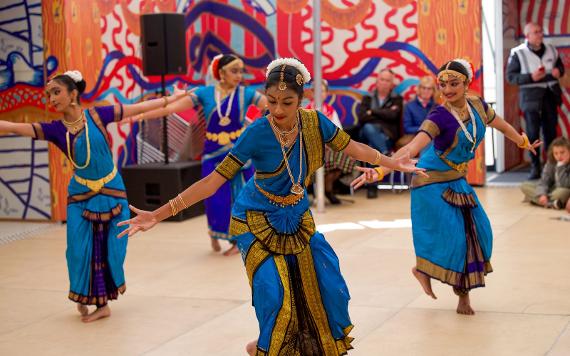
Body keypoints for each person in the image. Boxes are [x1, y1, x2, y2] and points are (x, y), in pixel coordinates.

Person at [118, 58, 426, 355]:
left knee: (330, 287)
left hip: (296, 216)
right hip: (255, 219)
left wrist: (392, 162)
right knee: (273, 293)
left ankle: (267, 344)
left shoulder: (314, 122)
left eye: (287, 102)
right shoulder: (257, 132)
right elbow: (213, 181)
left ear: (301, 99)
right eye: (272, 100)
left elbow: (353, 147)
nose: (277, 109)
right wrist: (158, 214)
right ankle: (269, 346)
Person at [352, 59, 541, 315]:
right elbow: (411, 149)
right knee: (457, 240)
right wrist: (381, 169)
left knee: (480, 233)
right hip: (429, 180)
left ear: (466, 84)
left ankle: (424, 270)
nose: (448, 89)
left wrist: (522, 142)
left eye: (454, 83)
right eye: (443, 84)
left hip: (456, 179)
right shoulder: (439, 115)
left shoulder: (478, 106)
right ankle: (461, 296)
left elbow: (502, 125)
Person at [0, 70, 188, 322]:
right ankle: (86, 294)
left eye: (56, 92)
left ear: (73, 94)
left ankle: (102, 304)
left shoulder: (99, 115)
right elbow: (14, 127)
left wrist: (170, 99)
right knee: (78, 249)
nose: (51, 99)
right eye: (48, 95)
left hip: (111, 189)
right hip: (80, 194)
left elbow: (136, 108)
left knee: (110, 248)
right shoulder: (55, 130)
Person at [134, 54, 268, 255]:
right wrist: (139, 115)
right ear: (221, 73)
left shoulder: (246, 94)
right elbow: (171, 108)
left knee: (239, 197)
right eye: (234, 71)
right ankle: (215, 233)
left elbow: (270, 106)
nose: (239, 75)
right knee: (214, 199)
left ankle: (236, 241)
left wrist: (255, 129)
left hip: (238, 155)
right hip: (212, 154)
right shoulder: (205, 94)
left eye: (241, 71)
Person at [507, 22, 565, 179]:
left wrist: (558, 71)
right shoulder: (517, 53)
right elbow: (511, 77)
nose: (540, 34)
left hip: (550, 96)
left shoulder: (552, 49)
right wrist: (530, 77)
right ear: (528, 36)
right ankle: (535, 167)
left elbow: (561, 67)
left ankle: (552, 167)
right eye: (536, 32)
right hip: (530, 98)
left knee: (551, 133)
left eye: (541, 31)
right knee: (532, 134)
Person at [306, 79, 356, 204]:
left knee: (344, 155)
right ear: (312, 93)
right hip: (310, 150)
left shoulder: (330, 111)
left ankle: (327, 190)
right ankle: (310, 192)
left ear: (326, 94)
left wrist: (329, 143)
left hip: (328, 149)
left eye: (322, 91)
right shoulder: (305, 111)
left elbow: (339, 133)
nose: (319, 94)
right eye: (317, 91)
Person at [357, 68, 403, 198]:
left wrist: (372, 112)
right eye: (382, 79)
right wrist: (383, 115)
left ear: (391, 84)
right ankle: (385, 154)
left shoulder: (396, 99)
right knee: (369, 128)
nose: (384, 82)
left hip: (387, 136)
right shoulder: (367, 97)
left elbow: (393, 116)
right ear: (377, 81)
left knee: (372, 146)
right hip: (365, 135)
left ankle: (372, 186)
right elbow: (362, 117)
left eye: (387, 80)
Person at [521, 137, 570, 212]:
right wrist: (542, 194)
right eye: (556, 153)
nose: (559, 156)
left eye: (562, 152)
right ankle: (552, 203)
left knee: (563, 192)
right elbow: (544, 181)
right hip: (551, 190)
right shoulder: (551, 162)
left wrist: (561, 166)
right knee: (525, 186)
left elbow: (565, 184)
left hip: (563, 190)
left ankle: (535, 200)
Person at [396, 76, 436, 149]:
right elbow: (407, 128)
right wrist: (425, 129)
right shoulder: (409, 106)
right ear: (419, 89)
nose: (426, 91)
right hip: (413, 137)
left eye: (429, 88)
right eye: (424, 88)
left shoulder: (438, 107)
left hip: (433, 138)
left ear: (433, 91)